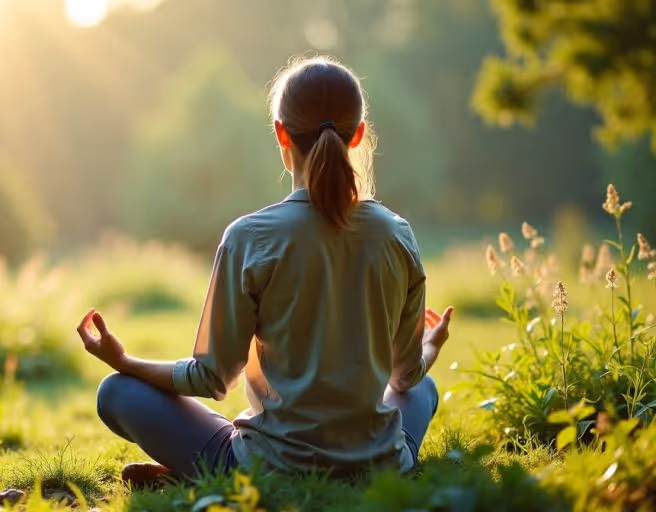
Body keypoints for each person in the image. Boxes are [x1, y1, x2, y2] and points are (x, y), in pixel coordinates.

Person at [75, 55, 454, 486]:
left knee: (117, 392)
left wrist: (123, 361)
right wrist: (431, 346)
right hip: (378, 466)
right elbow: (405, 376)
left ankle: (194, 472)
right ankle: (372, 465)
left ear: (281, 134)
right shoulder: (397, 234)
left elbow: (212, 377)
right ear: (359, 136)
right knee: (422, 390)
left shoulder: (248, 238)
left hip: (269, 470)